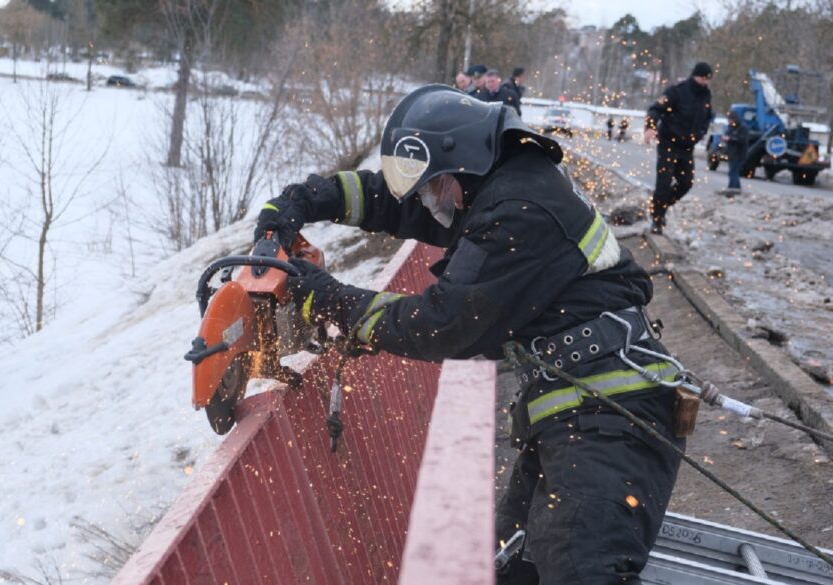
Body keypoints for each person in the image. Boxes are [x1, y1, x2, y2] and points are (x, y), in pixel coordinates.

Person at [254, 84, 685, 584]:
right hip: (580, 410)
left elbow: (441, 326)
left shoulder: (517, 213)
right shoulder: (500, 185)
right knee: (508, 565)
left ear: (460, 168)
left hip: (613, 420)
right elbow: (397, 205)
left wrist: (326, 297)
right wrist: (305, 200)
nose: (427, 201)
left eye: (431, 185)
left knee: (578, 571)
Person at [644, 61, 714, 234]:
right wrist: (650, 127)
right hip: (668, 142)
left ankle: (660, 205)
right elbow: (655, 109)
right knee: (664, 182)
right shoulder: (678, 90)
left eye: (708, 79)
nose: (705, 82)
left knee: (686, 183)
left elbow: (707, 118)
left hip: (687, 146)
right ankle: (657, 219)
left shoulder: (706, 95)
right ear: (695, 76)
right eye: (702, 78)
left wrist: (701, 134)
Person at [719, 109, 748, 197]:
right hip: (731, 153)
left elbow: (742, 140)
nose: (729, 121)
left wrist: (730, 139)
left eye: (730, 119)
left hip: (738, 154)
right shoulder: (731, 127)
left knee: (733, 172)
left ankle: (732, 189)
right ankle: (736, 189)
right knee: (733, 172)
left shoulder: (742, 128)